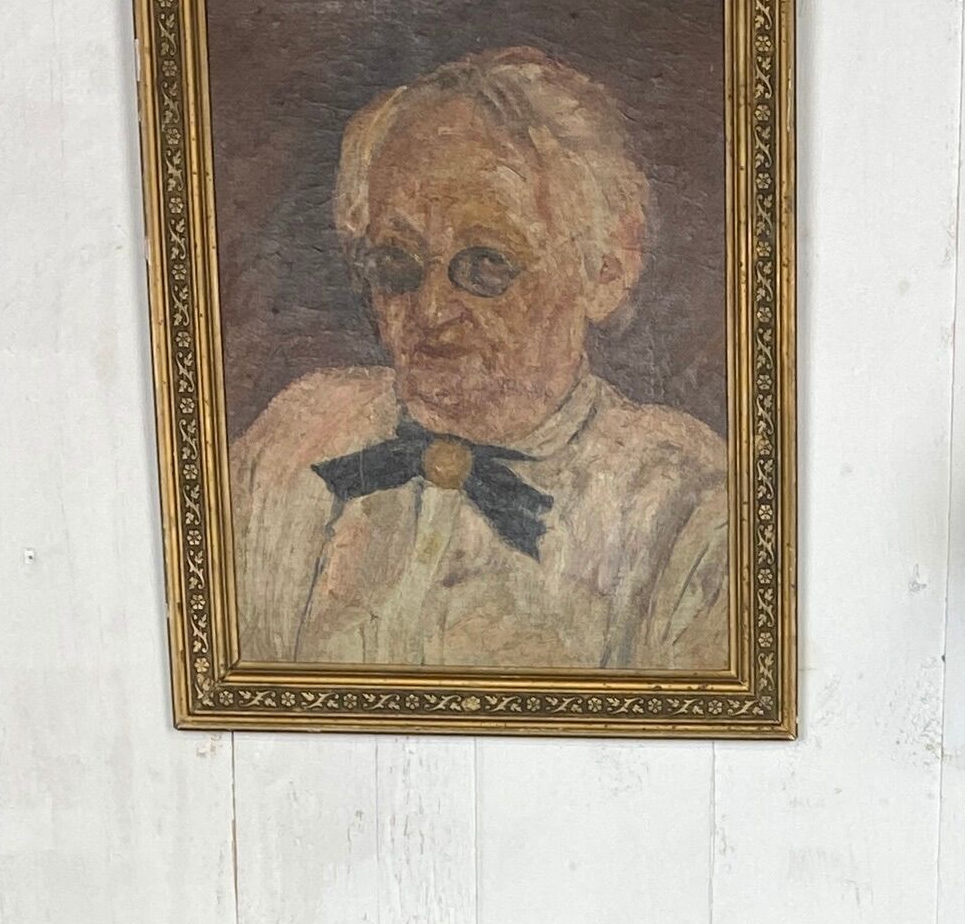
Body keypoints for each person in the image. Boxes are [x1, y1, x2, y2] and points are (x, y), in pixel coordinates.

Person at [226, 43, 730, 674]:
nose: (431, 311)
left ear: (608, 267)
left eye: (487, 264)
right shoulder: (297, 436)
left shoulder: (692, 507)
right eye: (396, 265)